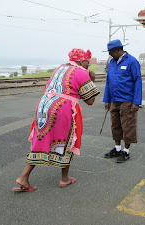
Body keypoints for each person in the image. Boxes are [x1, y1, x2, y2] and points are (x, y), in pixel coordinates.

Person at [12, 48, 100, 192]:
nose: (88, 65)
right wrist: (91, 80)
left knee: (40, 140)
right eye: (87, 63)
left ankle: (24, 177)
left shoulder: (59, 68)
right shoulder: (81, 72)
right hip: (63, 109)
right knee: (68, 141)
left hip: (44, 106)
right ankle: (64, 179)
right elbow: (90, 101)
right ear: (81, 61)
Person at [103, 39, 142, 163]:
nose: (109, 54)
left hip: (127, 100)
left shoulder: (132, 61)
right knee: (115, 125)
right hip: (114, 100)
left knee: (127, 126)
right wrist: (107, 99)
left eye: (111, 51)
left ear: (119, 50)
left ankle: (126, 151)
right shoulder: (112, 62)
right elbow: (108, 82)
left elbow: (138, 82)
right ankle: (117, 148)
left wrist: (136, 102)